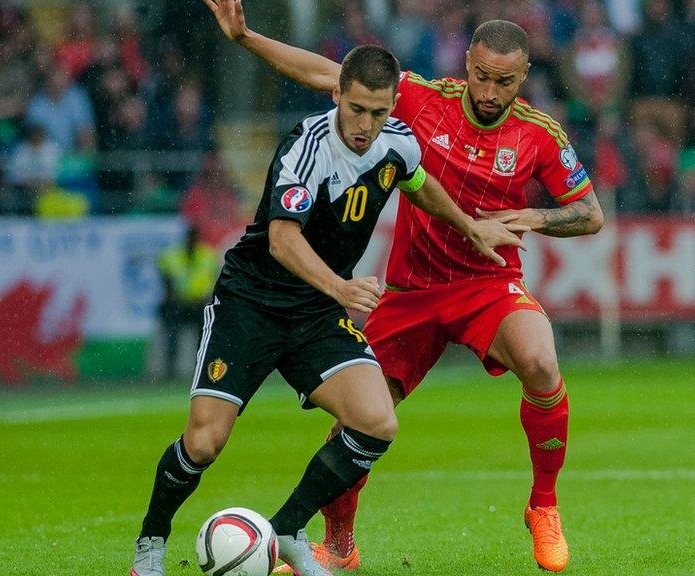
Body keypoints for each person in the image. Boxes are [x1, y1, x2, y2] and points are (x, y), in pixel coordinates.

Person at [204, 1, 605, 572]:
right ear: (467, 63)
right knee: (356, 422)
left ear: (525, 77)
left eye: (506, 82)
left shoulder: (540, 134)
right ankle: (339, 544)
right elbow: (326, 73)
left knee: (541, 362)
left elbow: (589, 214)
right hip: (411, 290)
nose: (490, 92)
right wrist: (247, 39)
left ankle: (543, 505)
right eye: (482, 76)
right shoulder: (419, 98)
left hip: (488, 284)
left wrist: (534, 218)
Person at [130, 44, 526, 576]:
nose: (365, 124)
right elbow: (281, 241)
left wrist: (471, 225)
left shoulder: (397, 143)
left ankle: (288, 528)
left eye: (379, 112)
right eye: (356, 109)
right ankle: (150, 545)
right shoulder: (306, 146)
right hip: (251, 303)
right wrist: (341, 289)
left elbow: (420, 184)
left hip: (314, 312)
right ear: (337, 93)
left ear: (392, 107)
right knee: (204, 442)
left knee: (376, 421)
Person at [156, 225, 222, 379]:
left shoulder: (207, 255)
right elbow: (166, 280)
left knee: (204, 339)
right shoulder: (171, 256)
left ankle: (201, 369)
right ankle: (170, 373)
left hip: (199, 304)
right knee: (173, 337)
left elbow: (214, 280)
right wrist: (172, 294)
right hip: (178, 304)